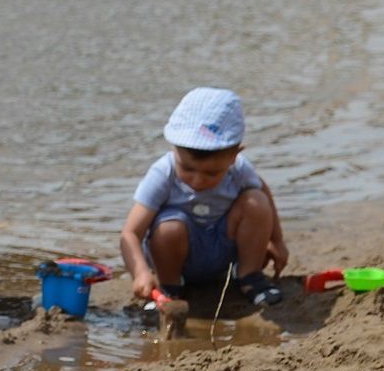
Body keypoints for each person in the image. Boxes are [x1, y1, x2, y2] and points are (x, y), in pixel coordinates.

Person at [120, 87, 288, 307]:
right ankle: (169, 289)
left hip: (223, 250)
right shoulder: (163, 173)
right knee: (169, 226)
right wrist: (140, 272)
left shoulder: (240, 169)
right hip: (176, 258)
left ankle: (250, 276)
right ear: (174, 150)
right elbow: (131, 233)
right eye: (187, 169)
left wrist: (277, 241)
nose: (198, 181)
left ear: (234, 155)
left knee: (255, 201)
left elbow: (263, 193)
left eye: (211, 173)